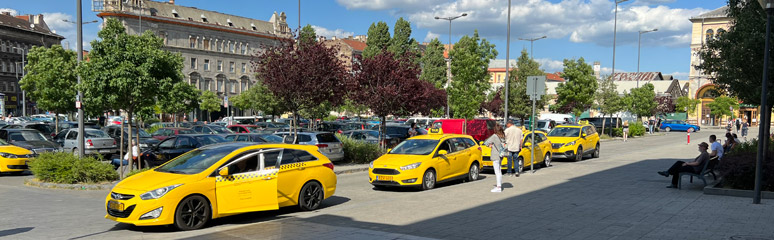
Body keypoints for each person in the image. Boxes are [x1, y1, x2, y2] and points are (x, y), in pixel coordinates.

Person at [484, 124, 507, 192]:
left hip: (495, 155)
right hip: (501, 155)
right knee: (499, 171)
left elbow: (486, 142)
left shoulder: (495, 136)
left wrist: (490, 145)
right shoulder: (503, 136)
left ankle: (498, 187)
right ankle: (499, 185)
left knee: (497, 171)